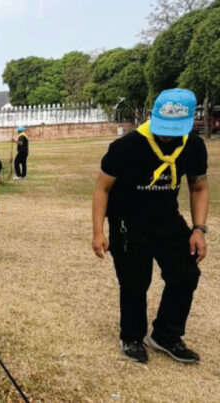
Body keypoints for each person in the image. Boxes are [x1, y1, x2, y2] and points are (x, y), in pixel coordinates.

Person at [92, 88, 208, 364]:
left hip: (167, 219)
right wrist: (98, 232)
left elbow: (199, 187)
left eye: (173, 129)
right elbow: (102, 189)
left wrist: (198, 229)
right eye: (162, 127)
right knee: (135, 281)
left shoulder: (193, 145)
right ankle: (132, 336)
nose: (166, 135)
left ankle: (166, 335)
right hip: (128, 222)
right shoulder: (126, 147)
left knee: (185, 273)